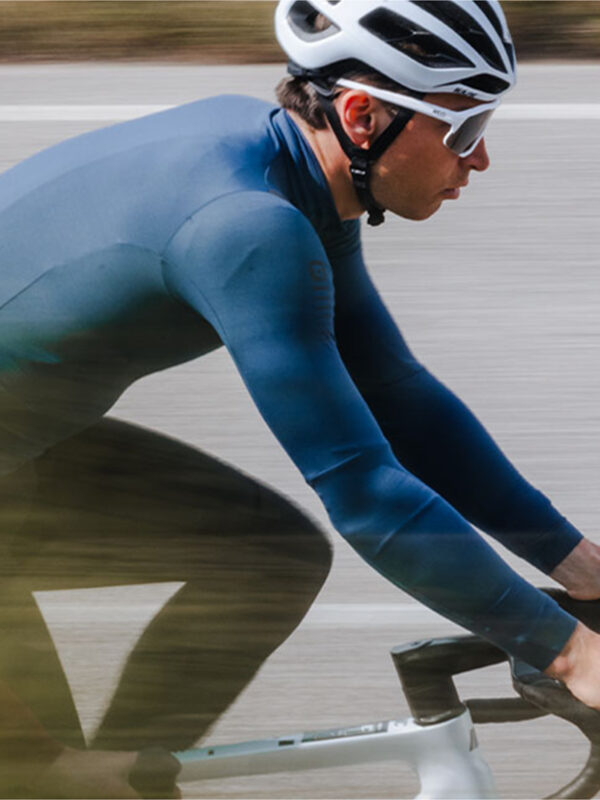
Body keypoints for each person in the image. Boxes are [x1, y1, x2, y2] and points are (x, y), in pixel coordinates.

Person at [1, 0, 600, 795]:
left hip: (22, 456)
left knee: (262, 556)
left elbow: (395, 394)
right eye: (463, 129)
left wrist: (580, 567)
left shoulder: (289, 172)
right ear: (362, 117)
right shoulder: (248, 225)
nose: (480, 158)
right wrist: (569, 653)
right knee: (41, 775)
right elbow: (366, 494)